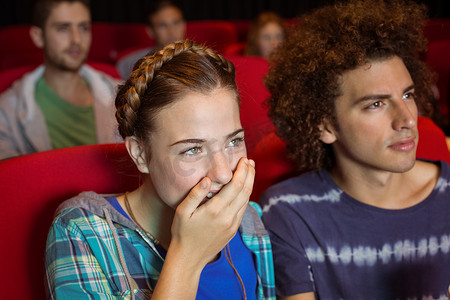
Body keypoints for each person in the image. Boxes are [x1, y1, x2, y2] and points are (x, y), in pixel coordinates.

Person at [45, 40, 275, 299]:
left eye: (234, 141)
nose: (223, 174)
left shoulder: (248, 220)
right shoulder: (82, 230)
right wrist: (187, 256)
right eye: (193, 149)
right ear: (140, 154)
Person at [259, 0, 450, 299]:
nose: (408, 120)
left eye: (407, 94)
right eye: (376, 104)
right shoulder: (288, 212)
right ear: (325, 126)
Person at [116, 0, 186, 79]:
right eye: (162, 25)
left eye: (176, 23)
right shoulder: (129, 63)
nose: (172, 32)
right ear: (150, 31)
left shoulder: (200, 59)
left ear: (184, 24)